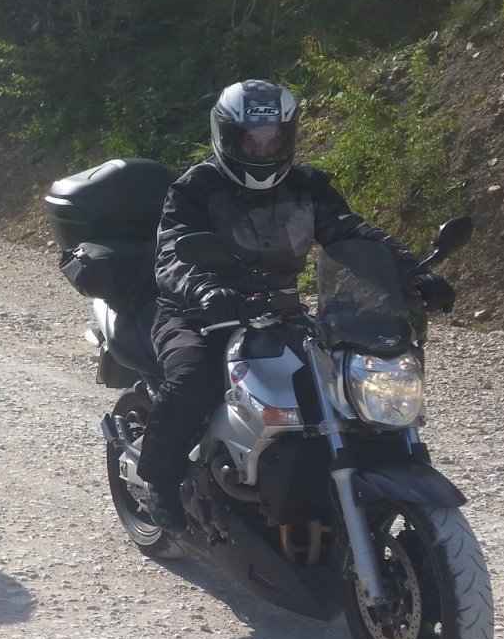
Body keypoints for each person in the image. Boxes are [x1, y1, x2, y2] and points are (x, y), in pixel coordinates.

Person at [141, 79, 455, 530]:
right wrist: (206, 292)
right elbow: (173, 254)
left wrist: (411, 271)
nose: (262, 149)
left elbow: (352, 232)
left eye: (272, 139)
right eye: (251, 140)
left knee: (341, 389)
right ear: (227, 137)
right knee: (193, 379)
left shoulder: (308, 185)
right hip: (197, 313)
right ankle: (160, 479)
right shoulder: (195, 187)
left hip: (279, 312)